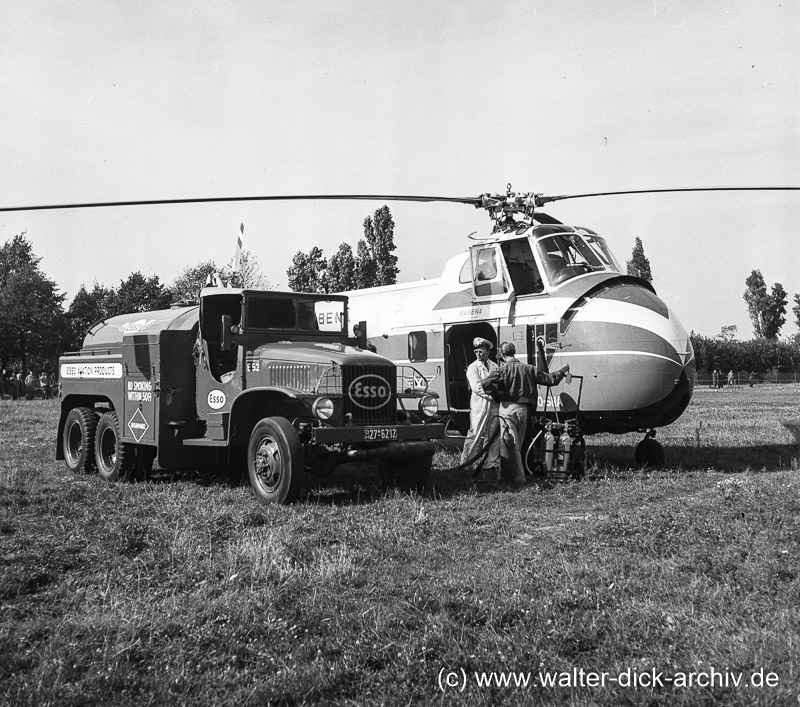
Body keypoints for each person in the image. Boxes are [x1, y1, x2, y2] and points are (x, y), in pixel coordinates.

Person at [487, 341, 570, 484]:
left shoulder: (501, 370)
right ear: (514, 352)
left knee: (508, 443)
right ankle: (506, 474)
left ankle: (518, 478)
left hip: (507, 409)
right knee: (517, 444)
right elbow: (549, 379)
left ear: (501, 353)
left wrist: (498, 396)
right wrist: (562, 372)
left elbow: (485, 383)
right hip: (524, 410)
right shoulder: (529, 368)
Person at [460, 337, 500, 477]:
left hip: (494, 405)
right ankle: (466, 463)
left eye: (481, 351)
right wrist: (491, 396)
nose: (478, 354)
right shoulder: (473, 367)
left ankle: (490, 463)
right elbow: (476, 387)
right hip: (480, 405)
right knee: (475, 433)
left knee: (493, 434)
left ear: (488, 351)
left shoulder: (495, 366)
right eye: (476, 351)